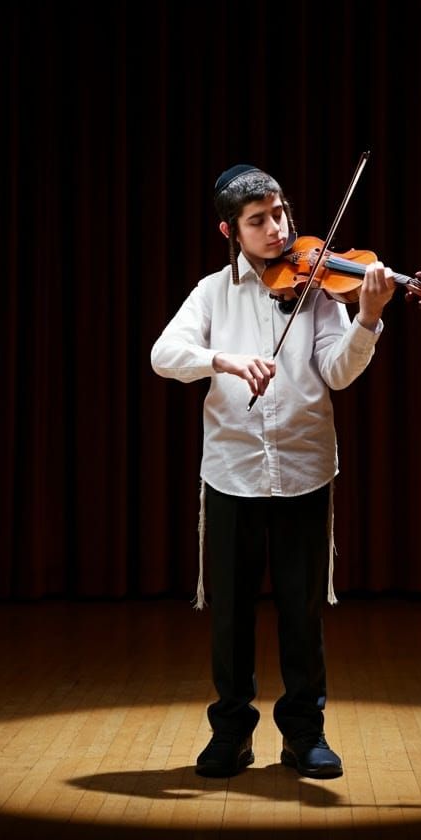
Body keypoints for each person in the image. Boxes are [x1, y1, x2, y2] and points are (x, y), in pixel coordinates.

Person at [150, 163, 395, 779]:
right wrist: (223, 360)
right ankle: (231, 734)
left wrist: (366, 318)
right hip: (231, 473)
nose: (277, 228)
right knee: (230, 613)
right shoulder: (211, 293)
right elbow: (163, 356)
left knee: (301, 610)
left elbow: (338, 371)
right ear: (228, 230)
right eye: (258, 220)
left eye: (281, 213)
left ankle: (304, 735)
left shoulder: (317, 288)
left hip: (305, 469)